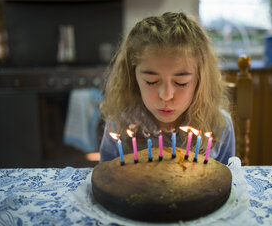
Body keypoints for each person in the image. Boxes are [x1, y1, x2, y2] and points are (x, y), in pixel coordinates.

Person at [99, 12, 235, 165]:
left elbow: (226, 180)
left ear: (200, 80)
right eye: (151, 81)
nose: (166, 95)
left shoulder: (218, 126)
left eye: (181, 82)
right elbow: (106, 178)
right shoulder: (119, 125)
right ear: (132, 77)